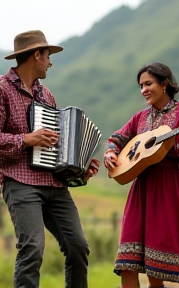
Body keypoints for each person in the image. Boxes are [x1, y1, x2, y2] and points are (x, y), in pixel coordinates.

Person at [0, 30, 100, 288]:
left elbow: (56, 148)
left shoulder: (48, 96)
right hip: (19, 181)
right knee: (32, 247)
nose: (50, 62)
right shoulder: (1, 90)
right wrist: (26, 139)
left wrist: (80, 170)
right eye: (47, 56)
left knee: (78, 246)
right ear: (36, 55)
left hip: (55, 185)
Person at [104, 62, 179, 288]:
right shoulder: (140, 117)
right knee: (127, 262)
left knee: (156, 267)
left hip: (168, 187)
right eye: (141, 86)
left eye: (148, 84)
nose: (143, 90)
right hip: (142, 186)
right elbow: (117, 137)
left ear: (164, 83)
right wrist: (110, 152)